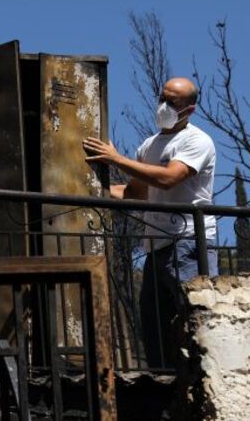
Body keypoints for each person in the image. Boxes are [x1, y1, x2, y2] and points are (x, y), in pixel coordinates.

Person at [81, 77, 217, 368]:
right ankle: (163, 384)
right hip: (156, 247)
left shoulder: (197, 141)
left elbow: (169, 178)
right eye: (162, 98)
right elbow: (135, 194)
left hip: (188, 243)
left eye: (173, 102)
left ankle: (202, 380)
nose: (164, 106)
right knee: (155, 325)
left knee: (196, 320)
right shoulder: (149, 145)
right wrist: (87, 193)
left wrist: (116, 159)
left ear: (189, 109)